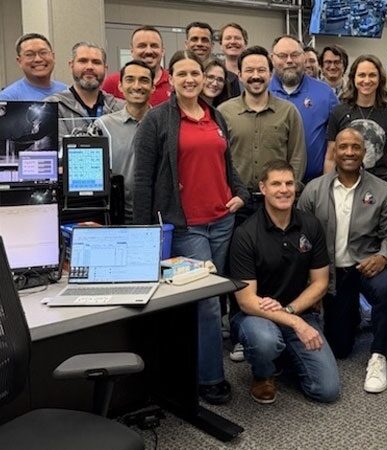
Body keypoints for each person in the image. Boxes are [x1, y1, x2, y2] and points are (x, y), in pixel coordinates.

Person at [133, 50, 250, 405]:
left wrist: (241, 193)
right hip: (187, 226)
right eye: (181, 73)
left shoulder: (215, 115)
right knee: (208, 303)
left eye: (195, 73)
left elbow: (226, 164)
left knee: (215, 299)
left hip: (222, 220)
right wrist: (143, 235)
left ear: (204, 77)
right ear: (170, 79)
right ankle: (210, 378)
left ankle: (198, 365)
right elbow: (143, 179)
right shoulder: (156, 120)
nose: (189, 79)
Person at [229, 159, 341, 404]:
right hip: (255, 317)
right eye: (276, 184)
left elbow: (320, 282)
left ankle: (284, 355)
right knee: (265, 340)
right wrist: (295, 323)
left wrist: (290, 312)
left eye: (289, 183)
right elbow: (246, 301)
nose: (284, 190)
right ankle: (263, 373)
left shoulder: (310, 225)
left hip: (298, 310)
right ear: (263, 188)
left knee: (327, 390)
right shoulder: (245, 234)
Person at [298, 127, 387, 393]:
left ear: (364, 152)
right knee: (340, 348)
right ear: (335, 151)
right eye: (343, 147)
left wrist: (383, 256)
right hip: (330, 273)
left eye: (356, 147)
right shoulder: (314, 190)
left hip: (366, 265)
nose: (349, 152)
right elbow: (301, 239)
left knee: (386, 288)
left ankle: (379, 354)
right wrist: (310, 282)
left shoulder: (382, 190)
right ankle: (353, 314)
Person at [218, 45, 306, 218]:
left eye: (261, 70)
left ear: (270, 74)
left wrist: (289, 190)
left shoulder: (288, 111)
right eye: (249, 70)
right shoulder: (224, 112)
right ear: (240, 75)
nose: (256, 76)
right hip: (237, 202)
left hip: (276, 200)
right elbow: (218, 159)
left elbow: (297, 156)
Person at [269, 35, 337, 183]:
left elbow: (336, 141)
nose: (289, 60)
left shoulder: (325, 93)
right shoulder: (263, 92)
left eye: (295, 55)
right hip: (271, 186)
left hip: (314, 184)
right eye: (282, 56)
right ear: (272, 58)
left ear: (304, 57)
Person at [93, 59, 154, 224]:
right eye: (130, 79)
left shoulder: (163, 123)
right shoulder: (103, 126)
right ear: (120, 86)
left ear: (153, 87)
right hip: (115, 216)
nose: (137, 86)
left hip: (155, 215)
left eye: (144, 80)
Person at [324, 55, 387, 184]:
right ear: (353, 78)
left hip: (379, 186)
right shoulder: (338, 112)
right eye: (361, 75)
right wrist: (327, 188)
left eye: (372, 75)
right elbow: (330, 158)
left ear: (380, 79)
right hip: (344, 185)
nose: (366, 80)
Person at [45, 42, 124, 137]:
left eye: (96, 62)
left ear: (105, 68)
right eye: (83, 61)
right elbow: (57, 144)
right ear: (71, 65)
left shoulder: (120, 108)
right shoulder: (52, 107)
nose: (89, 67)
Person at [101, 26, 172, 106]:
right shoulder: (113, 83)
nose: (148, 51)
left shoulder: (174, 82)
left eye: (154, 46)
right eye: (142, 46)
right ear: (132, 50)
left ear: (162, 51)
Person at [0, 33, 66, 101]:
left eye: (43, 52)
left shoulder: (66, 92)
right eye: (29, 54)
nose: (38, 59)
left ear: (53, 56)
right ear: (19, 61)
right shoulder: (7, 99)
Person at [216, 23, 245, 103]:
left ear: (245, 43)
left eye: (237, 38)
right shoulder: (215, 73)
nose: (233, 41)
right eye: (228, 38)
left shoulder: (254, 73)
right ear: (221, 45)